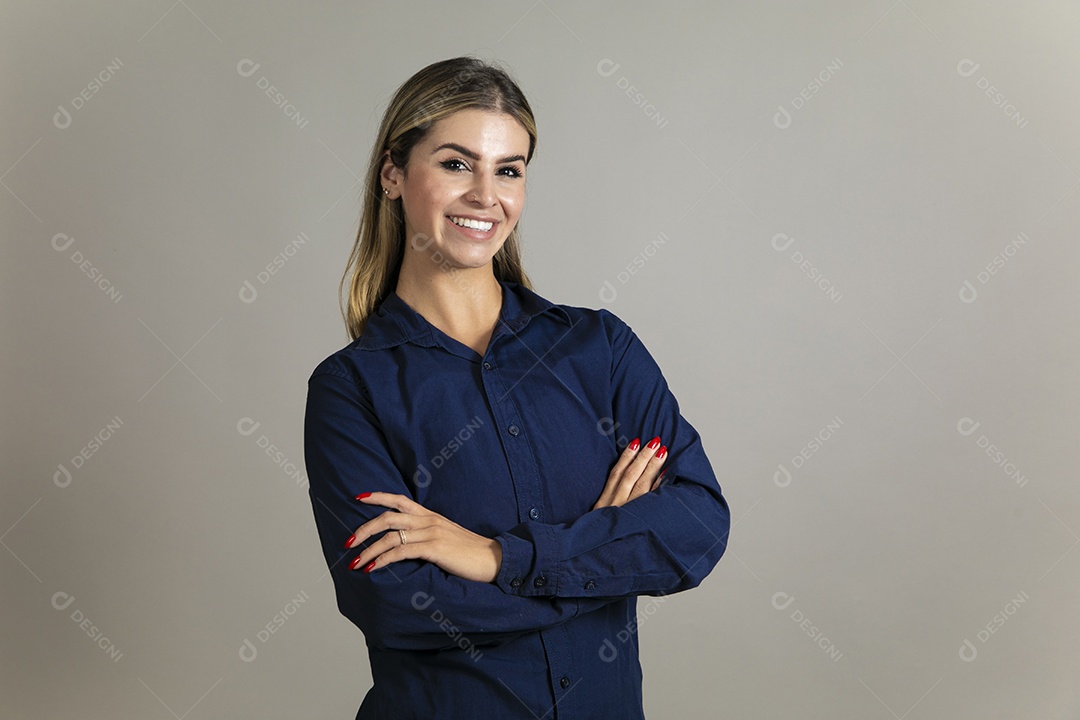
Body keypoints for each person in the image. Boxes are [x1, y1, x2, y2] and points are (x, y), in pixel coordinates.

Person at [303, 55, 731, 720]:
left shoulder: (601, 349)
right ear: (393, 174)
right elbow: (395, 604)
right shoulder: (350, 389)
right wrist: (599, 549)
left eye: (508, 170)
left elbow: (697, 526)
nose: (486, 195)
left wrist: (494, 557)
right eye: (456, 164)